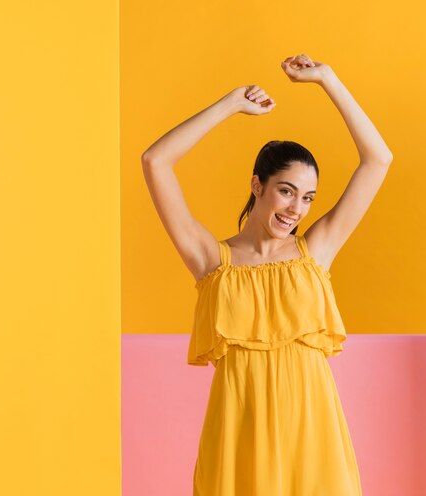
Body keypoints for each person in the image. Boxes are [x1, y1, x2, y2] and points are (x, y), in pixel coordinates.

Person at [142, 53, 392, 495]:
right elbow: (155, 162)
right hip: (239, 437)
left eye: (307, 198)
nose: (296, 208)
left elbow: (378, 159)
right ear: (257, 185)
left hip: (314, 437)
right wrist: (229, 105)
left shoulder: (315, 250)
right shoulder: (211, 261)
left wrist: (327, 79)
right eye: (286, 191)